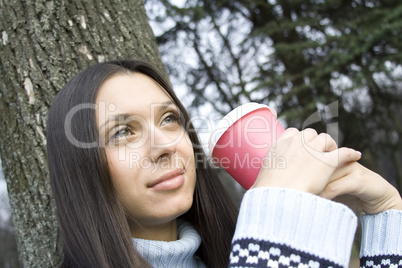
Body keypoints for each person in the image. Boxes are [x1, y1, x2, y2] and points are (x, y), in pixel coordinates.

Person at [46, 60, 402, 268]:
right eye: (124, 131)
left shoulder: (238, 253)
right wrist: (277, 218)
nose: (165, 145)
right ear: (82, 167)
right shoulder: (263, 248)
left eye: (170, 119)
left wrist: (387, 215)